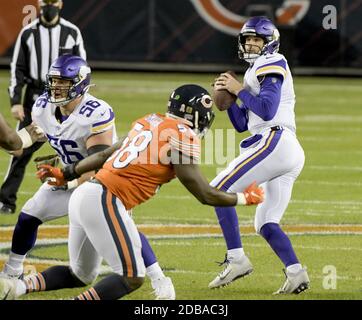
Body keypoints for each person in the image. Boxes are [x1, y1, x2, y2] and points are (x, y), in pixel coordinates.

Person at [0, 84, 264, 300]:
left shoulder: (149, 121)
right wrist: (243, 198)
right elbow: (204, 194)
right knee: (131, 277)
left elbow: (105, 154)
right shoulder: (182, 135)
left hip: (86, 196)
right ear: (196, 114)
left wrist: (66, 172)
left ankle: (19, 287)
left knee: (81, 275)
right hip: (105, 199)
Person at [0, 54, 177, 300]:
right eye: (54, 81)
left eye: (63, 82)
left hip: (103, 181)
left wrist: (67, 178)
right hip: (67, 176)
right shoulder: (44, 107)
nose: (56, 87)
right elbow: (21, 142)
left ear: (81, 83)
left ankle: (159, 279)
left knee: (125, 227)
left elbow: (97, 165)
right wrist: (8, 134)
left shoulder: (95, 112)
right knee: (30, 214)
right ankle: (12, 274)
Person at [208, 16, 309, 294]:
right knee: (265, 223)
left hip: (275, 140)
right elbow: (243, 124)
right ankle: (296, 272)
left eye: (257, 39)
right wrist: (227, 99)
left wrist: (238, 89)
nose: (251, 44)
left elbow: (266, 109)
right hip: (283, 148)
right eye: (248, 39)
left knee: (218, 189)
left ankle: (237, 259)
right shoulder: (255, 70)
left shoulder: (272, 61)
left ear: (270, 43)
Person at [0, 0, 86, 214]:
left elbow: (82, 69)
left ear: (61, 3)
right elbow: (17, 68)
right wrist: (16, 102)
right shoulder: (28, 32)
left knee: (79, 146)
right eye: (45, 1)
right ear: (39, 3)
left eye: (53, 1)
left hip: (68, 99)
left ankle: (83, 191)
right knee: (20, 151)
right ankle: (6, 200)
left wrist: (80, 99)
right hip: (35, 99)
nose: (49, 5)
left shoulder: (71, 32)